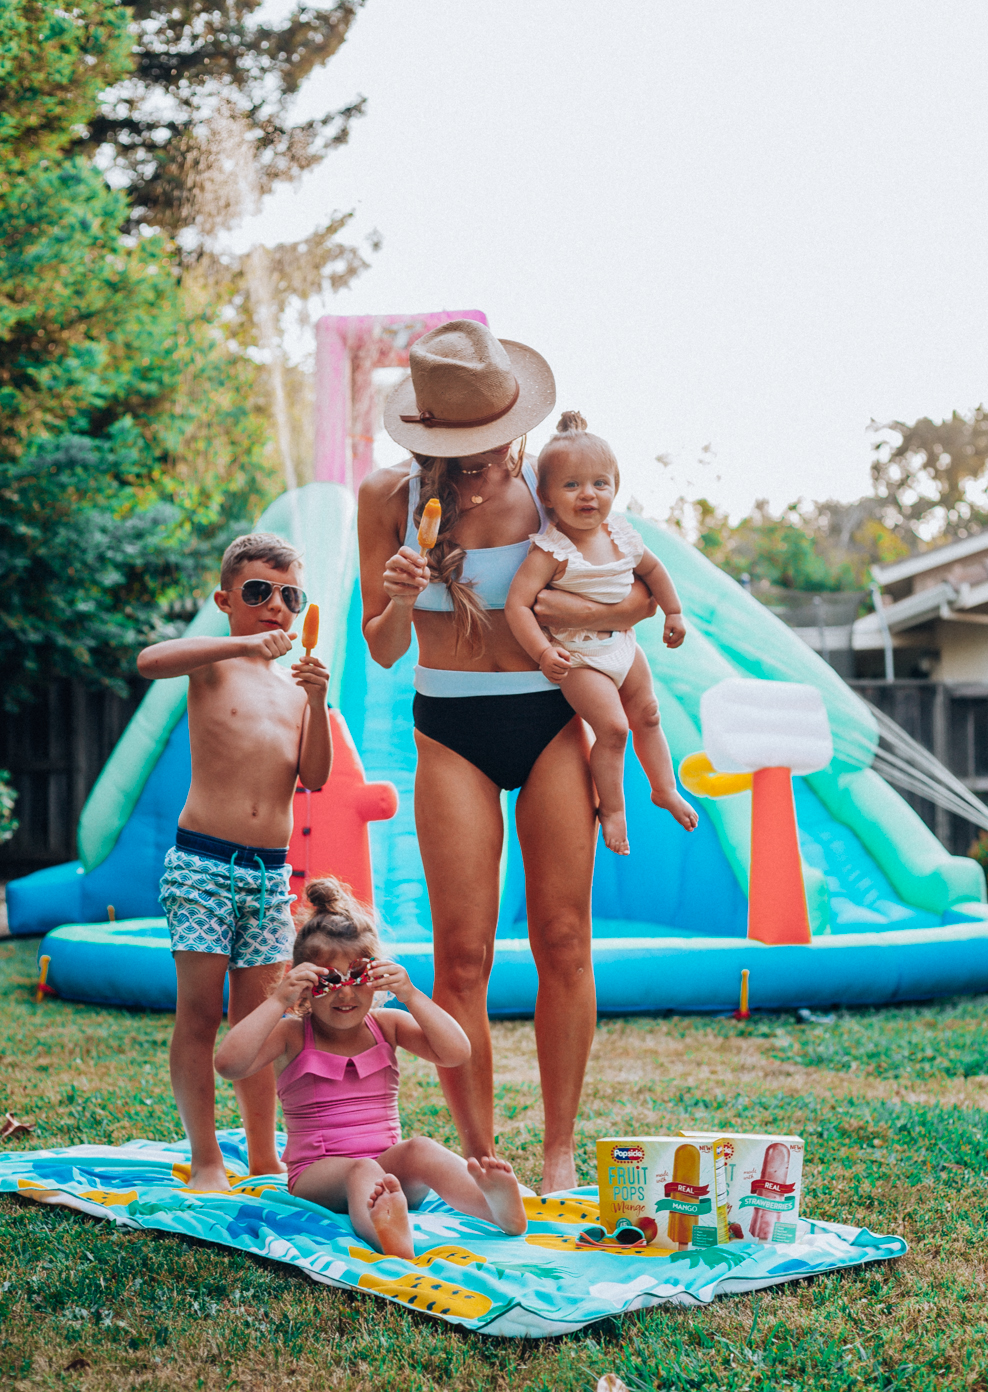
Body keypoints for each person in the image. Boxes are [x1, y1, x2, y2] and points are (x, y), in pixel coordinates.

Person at [357, 319, 655, 1193]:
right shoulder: (387, 500)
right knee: (461, 956)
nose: (483, 462)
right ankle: (483, 1154)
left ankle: (559, 1147)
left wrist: (567, 623)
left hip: (552, 720)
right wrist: (403, 600)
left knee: (564, 939)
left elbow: (632, 593)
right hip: (450, 732)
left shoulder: (551, 491)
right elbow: (380, 651)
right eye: (464, 447)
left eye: (493, 444)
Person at [137, 534, 333, 1191]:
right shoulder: (214, 664)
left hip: (268, 874)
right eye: (257, 593)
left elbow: (316, 775)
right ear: (226, 600)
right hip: (202, 866)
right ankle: (206, 1159)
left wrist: (319, 702)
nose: (274, 606)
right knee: (198, 1015)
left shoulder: (291, 690)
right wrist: (242, 644)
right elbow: (149, 659)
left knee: (262, 1020)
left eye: (289, 596)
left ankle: (264, 1155)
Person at [215, 878, 528, 1258]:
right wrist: (279, 998)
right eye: (328, 980)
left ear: (377, 975)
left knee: (421, 1148)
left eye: (358, 977)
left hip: (389, 1172)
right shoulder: (292, 1035)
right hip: (318, 1175)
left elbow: (457, 1052)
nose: (345, 993)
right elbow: (229, 1064)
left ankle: (497, 1209)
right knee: (361, 1169)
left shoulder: (387, 1024)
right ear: (306, 983)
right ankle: (388, 1237)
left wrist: (410, 994)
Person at [505, 412, 699, 856]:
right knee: (613, 729)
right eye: (571, 485)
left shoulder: (622, 536)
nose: (588, 494)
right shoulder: (550, 549)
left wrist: (674, 613)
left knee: (647, 713)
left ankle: (663, 788)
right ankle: (612, 808)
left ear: (615, 485)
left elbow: (654, 571)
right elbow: (518, 605)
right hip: (577, 656)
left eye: (600, 483)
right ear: (547, 496)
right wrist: (540, 651)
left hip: (622, 645)